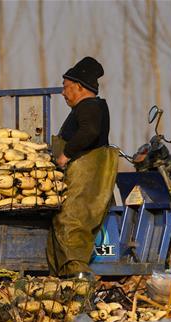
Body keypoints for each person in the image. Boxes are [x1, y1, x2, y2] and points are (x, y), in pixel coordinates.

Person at [46, 56, 119, 279]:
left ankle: (78, 280)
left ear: (79, 87)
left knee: (72, 222)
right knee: (64, 222)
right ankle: (63, 275)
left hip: (86, 179)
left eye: (66, 87)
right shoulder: (86, 108)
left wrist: (64, 156)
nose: (63, 92)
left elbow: (89, 132)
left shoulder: (89, 107)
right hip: (80, 178)